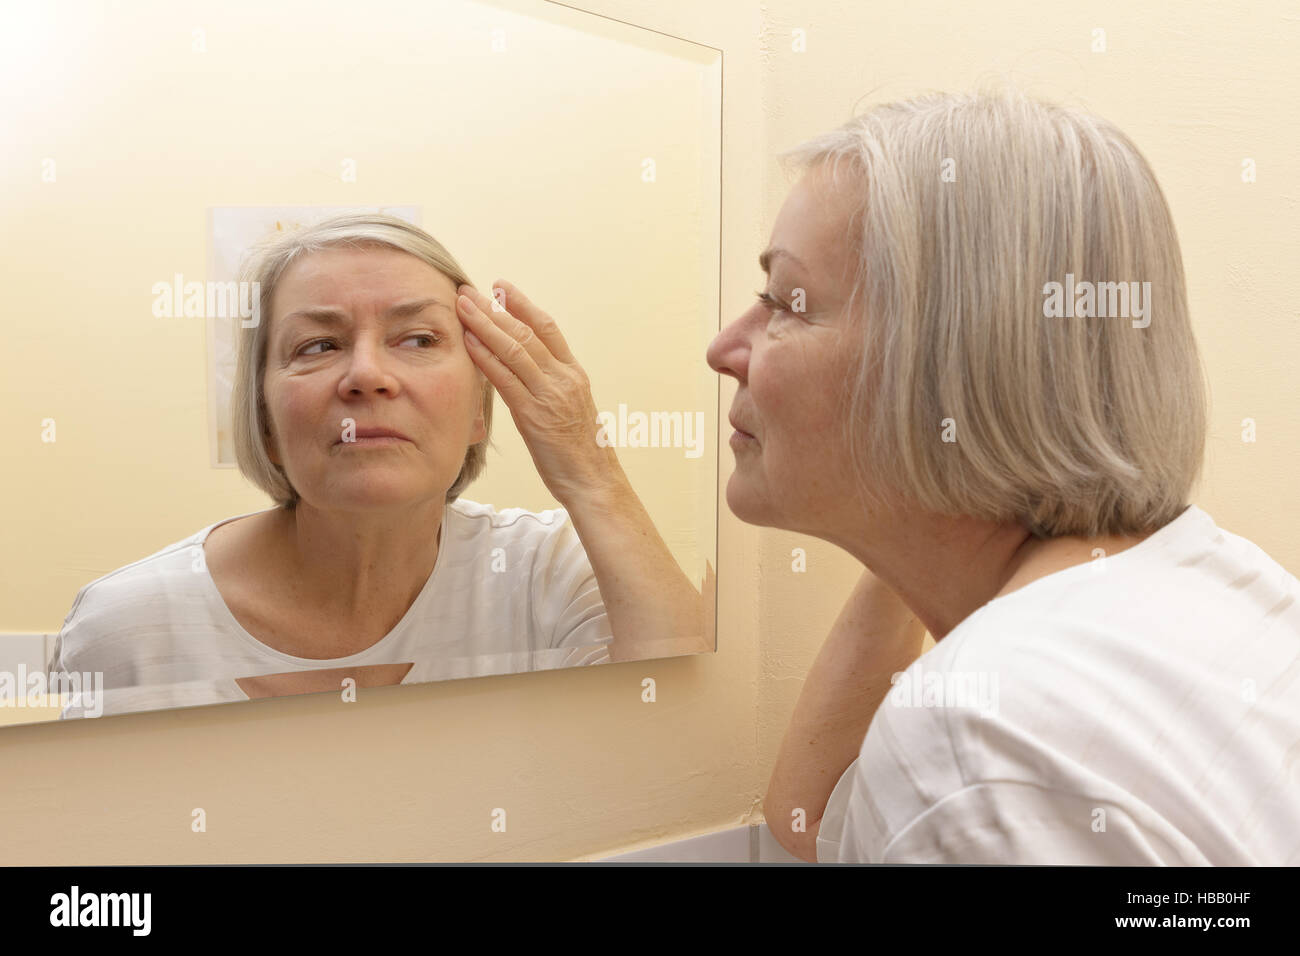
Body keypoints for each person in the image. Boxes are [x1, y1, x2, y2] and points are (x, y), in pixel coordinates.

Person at [706, 86, 1300, 864]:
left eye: (785, 300)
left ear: (944, 361)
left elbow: (950, 788)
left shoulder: (970, 742)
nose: (725, 348)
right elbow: (816, 820)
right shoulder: (1223, 584)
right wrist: (921, 520)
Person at [51, 213, 704, 717]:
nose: (367, 374)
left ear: (480, 412)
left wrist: (588, 467)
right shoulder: (127, 627)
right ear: (267, 423)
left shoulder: (549, 575)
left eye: (418, 339)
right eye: (318, 344)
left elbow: (680, 735)